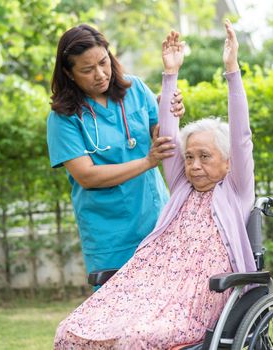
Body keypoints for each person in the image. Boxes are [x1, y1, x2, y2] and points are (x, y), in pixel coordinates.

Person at [53, 19, 256, 349]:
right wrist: (170, 72)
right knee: (70, 331)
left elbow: (239, 135)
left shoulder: (234, 191)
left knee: (133, 338)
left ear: (229, 160)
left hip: (193, 296)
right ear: (70, 73)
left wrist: (231, 68)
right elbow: (167, 141)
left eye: (205, 157)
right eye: (189, 158)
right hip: (142, 273)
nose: (194, 166)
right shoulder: (182, 187)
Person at [47, 24, 184, 274]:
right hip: (110, 236)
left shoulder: (135, 89)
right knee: (115, 310)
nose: (100, 74)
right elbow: (86, 176)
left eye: (103, 62)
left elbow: (162, 135)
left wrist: (170, 106)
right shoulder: (64, 118)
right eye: (87, 69)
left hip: (157, 220)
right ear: (69, 73)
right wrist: (146, 162)